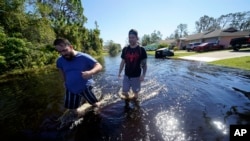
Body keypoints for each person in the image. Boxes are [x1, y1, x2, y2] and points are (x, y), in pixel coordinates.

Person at [53, 38, 103, 116]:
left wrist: (90, 72)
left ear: (71, 47)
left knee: (95, 105)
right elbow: (61, 70)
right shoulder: (60, 61)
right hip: (70, 88)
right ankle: (80, 118)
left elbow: (99, 66)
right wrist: (64, 81)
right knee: (72, 109)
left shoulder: (84, 57)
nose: (63, 54)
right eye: (60, 52)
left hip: (85, 87)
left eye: (65, 50)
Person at [118, 29, 147, 105]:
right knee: (124, 91)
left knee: (135, 93)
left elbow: (144, 65)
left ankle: (136, 105)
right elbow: (122, 62)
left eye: (133, 37)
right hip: (127, 75)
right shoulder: (125, 49)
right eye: (130, 37)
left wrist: (143, 75)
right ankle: (127, 102)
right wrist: (119, 72)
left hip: (136, 77)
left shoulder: (141, 50)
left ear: (137, 38)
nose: (131, 39)